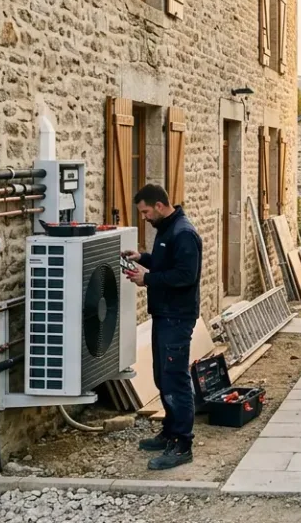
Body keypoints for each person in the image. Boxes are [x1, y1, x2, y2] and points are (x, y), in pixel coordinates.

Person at [121, 184, 203, 470]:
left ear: (158, 205)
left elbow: (184, 275)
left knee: (175, 379)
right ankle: (169, 432)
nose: (143, 217)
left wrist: (148, 280)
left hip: (177, 317)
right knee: (162, 376)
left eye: (144, 211)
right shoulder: (168, 230)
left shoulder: (184, 233)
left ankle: (182, 444)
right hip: (164, 314)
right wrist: (143, 258)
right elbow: (166, 263)